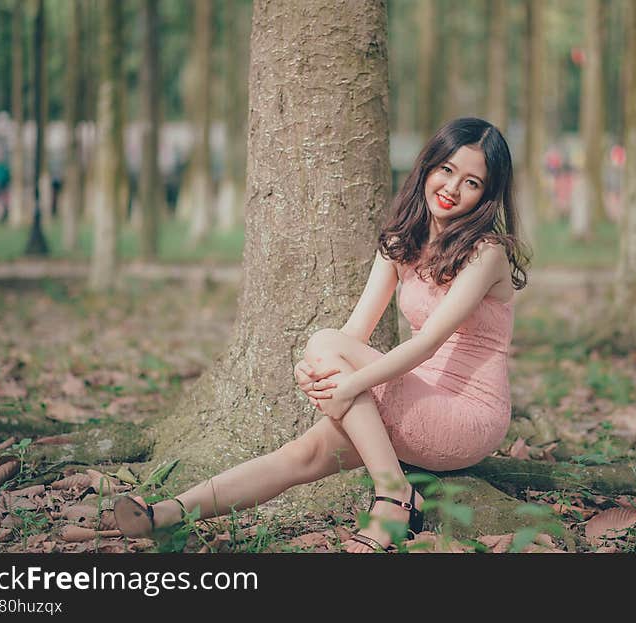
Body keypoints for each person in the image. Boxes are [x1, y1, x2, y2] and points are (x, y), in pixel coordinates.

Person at [113, 117, 531, 553]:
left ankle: (394, 496)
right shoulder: (402, 242)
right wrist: (319, 369)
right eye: (446, 169)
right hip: (418, 398)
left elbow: (426, 346)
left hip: (467, 414)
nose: (452, 187)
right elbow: (354, 333)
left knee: (326, 345)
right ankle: (165, 513)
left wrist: (347, 379)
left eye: (472, 182)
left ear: (487, 195)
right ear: (427, 166)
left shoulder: (487, 253)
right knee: (304, 454)